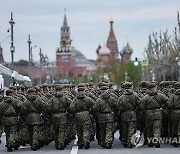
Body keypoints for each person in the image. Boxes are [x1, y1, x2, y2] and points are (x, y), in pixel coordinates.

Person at [140, 82, 168, 148]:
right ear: (154, 87)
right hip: (158, 113)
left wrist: (145, 113)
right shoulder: (160, 95)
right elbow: (167, 103)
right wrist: (163, 108)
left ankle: (150, 142)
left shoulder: (145, 97)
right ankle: (156, 140)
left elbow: (142, 107)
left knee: (149, 128)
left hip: (148, 114)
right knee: (157, 128)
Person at [92, 85, 118, 149]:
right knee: (109, 129)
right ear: (107, 90)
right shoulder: (112, 99)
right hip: (109, 115)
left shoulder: (98, 100)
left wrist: (96, 114)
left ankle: (103, 142)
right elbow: (116, 107)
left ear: (101, 91)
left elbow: (95, 109)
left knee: (102, 130)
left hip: (101, 116)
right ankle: (108, 142)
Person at [69, 84, 94, 149]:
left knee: (79, 130)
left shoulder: (75, 100)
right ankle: (86, 141)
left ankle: (80, 142)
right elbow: (94, 106)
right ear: (84, 91)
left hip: (78, 116)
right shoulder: (88, 99)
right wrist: (90, 111)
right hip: (86, 115)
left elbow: (71, 108)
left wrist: (75, 112)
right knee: (86, 129)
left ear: (78, 91)